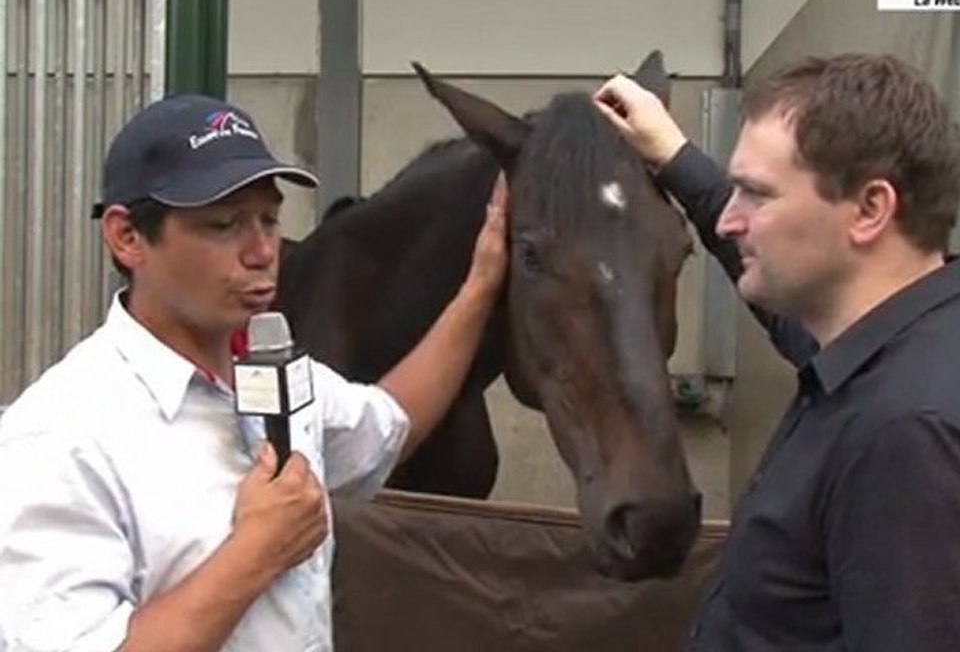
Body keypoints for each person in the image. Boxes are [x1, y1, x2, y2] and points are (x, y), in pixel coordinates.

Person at [0, 94, 508, 652]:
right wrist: (257, 551)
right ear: (127, 237)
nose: (262, 251)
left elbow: (390, 423)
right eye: (223, 225)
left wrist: (480, 285)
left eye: (269, 219)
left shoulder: (282, 382)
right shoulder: (60, 439)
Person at [595, 53, 960, 650]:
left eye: (755, 194)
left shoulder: (908, 434)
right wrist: (673, 155)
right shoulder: (889, 341)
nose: (732, 221)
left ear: (870, 209)